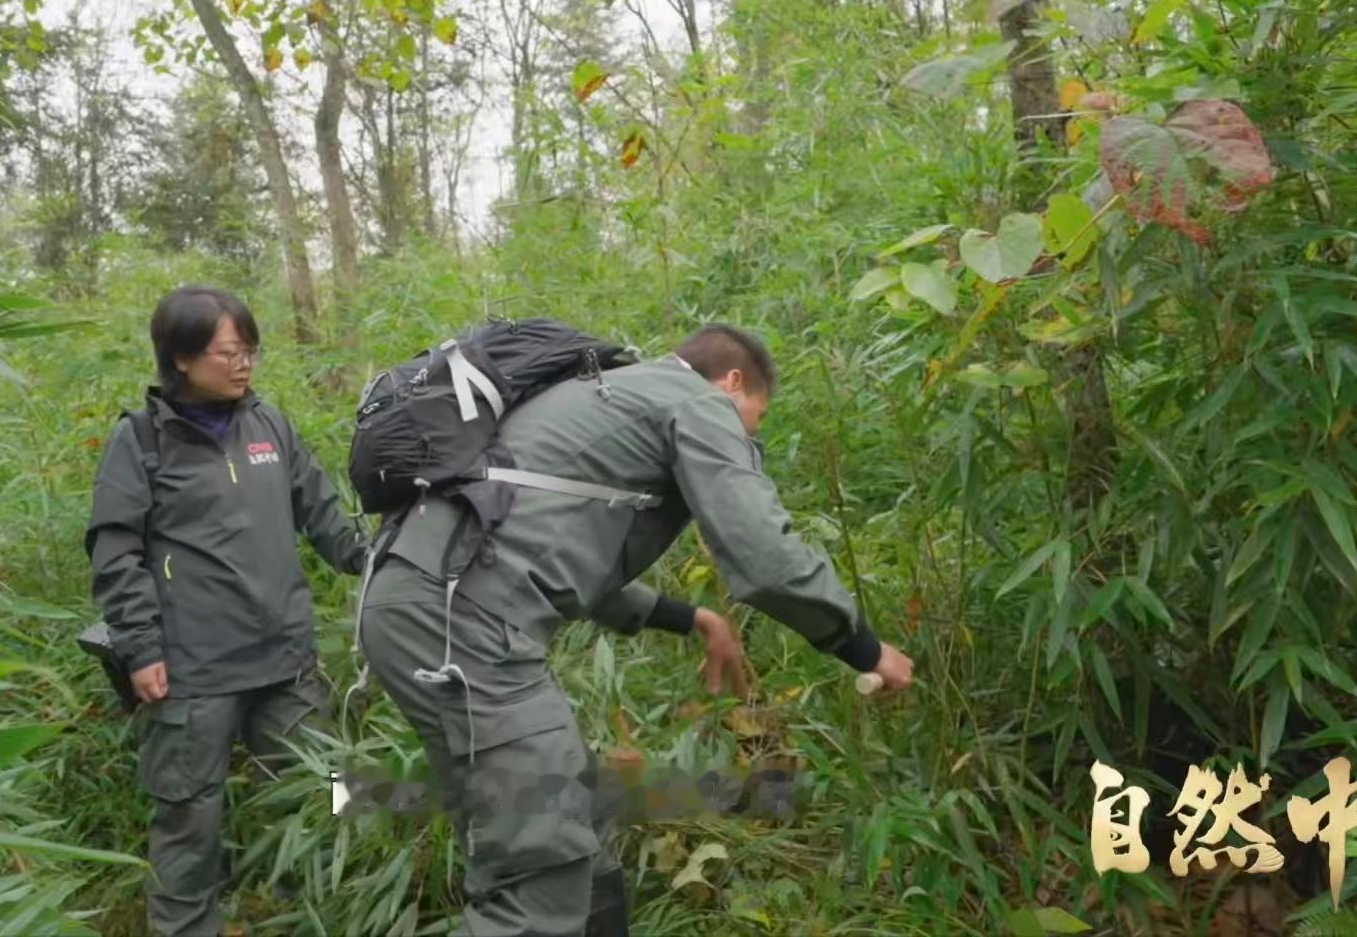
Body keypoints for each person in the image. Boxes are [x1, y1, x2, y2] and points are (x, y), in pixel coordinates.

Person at [355, 322, 915, 937]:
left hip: (422, 608)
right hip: (464, 628)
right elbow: (767, 559)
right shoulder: (695, 402)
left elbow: (558, 552)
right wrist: (864, 647)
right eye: (755, 418)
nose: (750, 433)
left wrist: (690, 617)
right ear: (731, 382)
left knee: (570, 817)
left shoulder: (607, 395)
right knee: (538, 876)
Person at [86, 285, 369, 937]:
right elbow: (115, 549)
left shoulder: (270, 426)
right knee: (188, 826)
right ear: (181, 358)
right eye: (228, 352)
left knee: (319, 802)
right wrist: (141, 647)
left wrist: (390, 564)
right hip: (190, 672)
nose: (244, 364)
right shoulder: (140, 443)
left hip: (288, 663)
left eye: (251, 351)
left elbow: (329, 520)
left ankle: (316, 920)